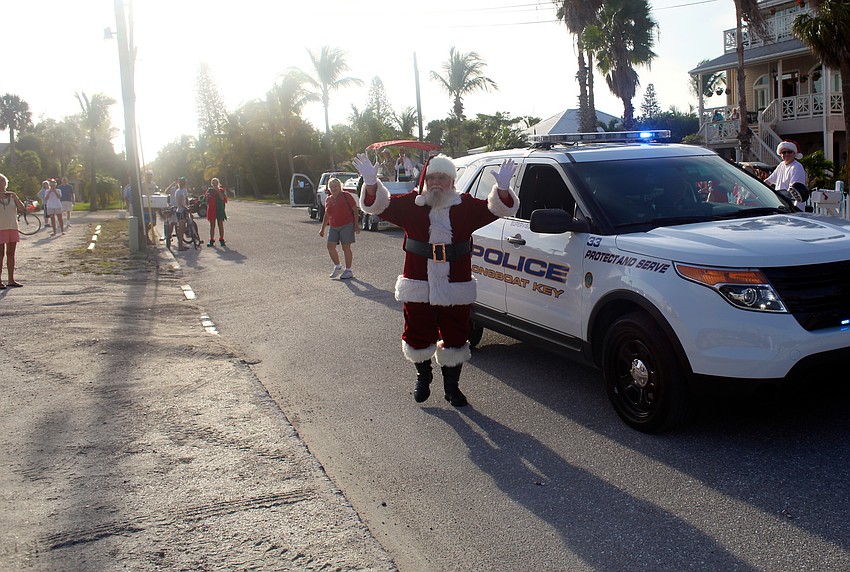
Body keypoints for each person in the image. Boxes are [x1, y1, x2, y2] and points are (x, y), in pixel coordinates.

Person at [353, 152, 518, 406]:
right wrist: (372, 183)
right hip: (418, 284)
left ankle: (452, 388)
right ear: (424, 181)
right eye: (432, 178)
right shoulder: (411, 205)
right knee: (417, 332)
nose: (437, 183)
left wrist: (503, 189)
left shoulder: (465, 206)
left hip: (455, 285)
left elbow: (496, 209)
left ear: (452, 181)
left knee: (455, 335)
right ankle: (423, 375)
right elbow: (378, 206)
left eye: (443, 177)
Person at [319, 177, 359, 279]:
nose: (334, 188)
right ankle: (337, 266)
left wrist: (356, 224)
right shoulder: (328, 199)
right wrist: (322, 229)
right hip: (333, 226)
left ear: (339, 186)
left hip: (347, 225)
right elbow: (327, 215)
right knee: (330, 246)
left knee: (346, 247)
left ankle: (348, 270)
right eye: (331, 187)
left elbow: (355, 210)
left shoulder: (346, 196)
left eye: (335, 186)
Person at [0, 173, 26, 288]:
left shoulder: (11, 196)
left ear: (6, 183)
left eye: (2, 181)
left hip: (12, 227)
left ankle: (11, 280)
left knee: (11, 254)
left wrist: (15, 197)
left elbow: (22, 208)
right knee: (0, 254)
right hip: (0, 228)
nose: (1, 183)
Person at [205, 177, 227, 246]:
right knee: (212, 225)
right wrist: (207, 197)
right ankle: (211, 240)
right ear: (211, 184)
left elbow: (223, 198)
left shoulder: (221, 190)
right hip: (212, 209)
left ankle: (221, 239)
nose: (215, 184)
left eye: (216, 182)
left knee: (220, 224)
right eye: (213, 182)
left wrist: (218, 191)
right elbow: (206, 200)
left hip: (219, 208)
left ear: (218, 183)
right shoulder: (209, 190)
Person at [170, 177, 190, 251]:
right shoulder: (179, 191)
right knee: (181, 229)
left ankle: (181, 244)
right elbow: (180, 203)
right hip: (181, 211)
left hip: (182, 211)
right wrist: (186, 207)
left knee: (182, 228)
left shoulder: (183, 190)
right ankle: (180, 245)